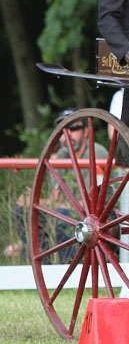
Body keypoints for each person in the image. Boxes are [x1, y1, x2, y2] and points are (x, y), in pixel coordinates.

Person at [4, 110, 108, 261]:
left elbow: (90, 206)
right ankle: (39, 264)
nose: (67, 135)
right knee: (20, 213)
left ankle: (53, 265)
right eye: (62, 130)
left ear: (86, 132)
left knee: (61, 221)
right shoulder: (62, 155)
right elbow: (55, 197)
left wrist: (36, 202)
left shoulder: (95, 152)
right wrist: (34, 203)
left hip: (93, 219)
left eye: (73, 129)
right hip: (69, 213)